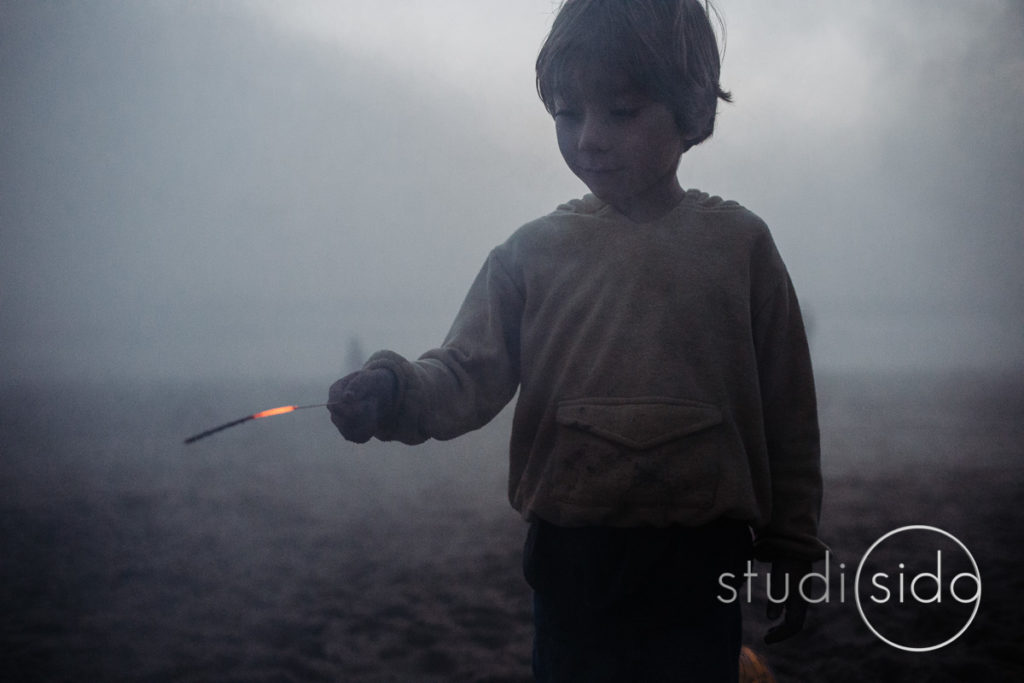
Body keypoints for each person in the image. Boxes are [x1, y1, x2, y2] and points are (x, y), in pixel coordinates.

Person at [328, 1, 826, 680]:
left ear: (691, 111)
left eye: (621, 111)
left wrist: (793, 545)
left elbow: (788, 412)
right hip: (570, 556)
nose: (590, 137)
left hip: (699, 558)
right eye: (568, 112)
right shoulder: (532, 255)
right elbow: (465, 372)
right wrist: (393, 390)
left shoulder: (740, 248)